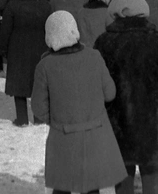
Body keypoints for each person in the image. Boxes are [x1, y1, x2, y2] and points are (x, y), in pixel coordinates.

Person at [31, 11, 127, 194]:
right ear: (74, 31)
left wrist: (58, 120)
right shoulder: (94, 56)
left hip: (63, 137)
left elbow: (38, 107)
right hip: (95, 135)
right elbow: (110, 93)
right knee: (91, 188)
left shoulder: (44, 66)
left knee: (62, 187)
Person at [95, 0, 158, 194]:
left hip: (118, 126)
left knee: (123, 180)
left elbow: (98, 87)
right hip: (153, 125)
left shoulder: (104, 43)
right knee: (152, 179)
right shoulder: (155, 40)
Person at [0, 0, 51, 126]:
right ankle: (39, 117)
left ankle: (21, 118)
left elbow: (5, 30)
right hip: (41, 48)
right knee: (38, 83)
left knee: (19, 83)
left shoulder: (13, 5)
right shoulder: (45, 5)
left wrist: (3, 49)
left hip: (17, 49)